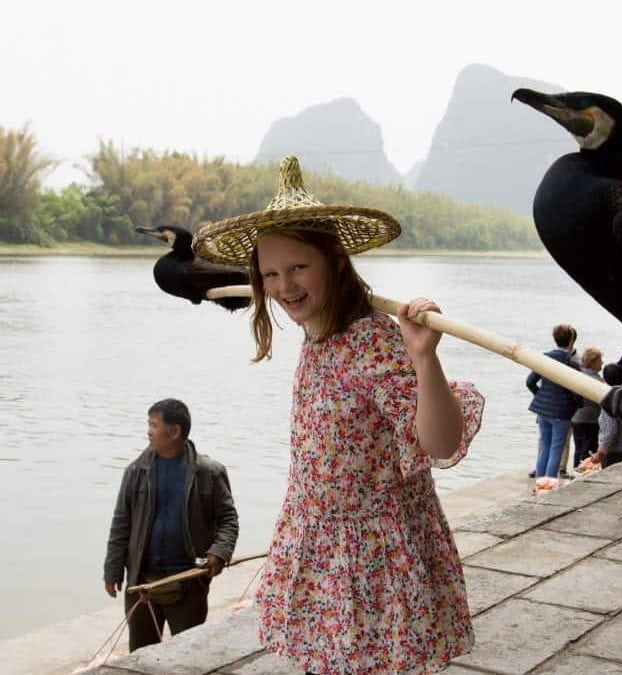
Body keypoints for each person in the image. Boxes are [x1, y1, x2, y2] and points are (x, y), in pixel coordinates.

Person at [193, 156, 484, 674]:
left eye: (299, 267)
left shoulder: (370, 337)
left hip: (372, 555)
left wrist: (424, 356)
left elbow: (439, 444)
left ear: (334, 260)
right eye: (271, 274)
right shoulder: (317, 336)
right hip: (319, 543)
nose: (284, 287)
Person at [103, 398, 239, 652]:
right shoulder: (135, 472)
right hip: (142, 585)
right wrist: (112, 571)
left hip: (188, 584)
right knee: (142, 656)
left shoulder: (208, 472)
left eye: (154, 425)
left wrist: (219, 552)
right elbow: (121, 524)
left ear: (174, 431)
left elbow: (228, 520)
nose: (148, 431)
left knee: (187, 655)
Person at [526, 324, 581, 492]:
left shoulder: (545, 358)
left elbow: (530, 382)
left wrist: (540, 395)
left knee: (545, 444)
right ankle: (549, 484)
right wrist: (575, 404)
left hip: (543, 409)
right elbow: (576, 391)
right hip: (561, 411)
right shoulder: (571, 363)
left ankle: (539, 482)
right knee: (557, 447)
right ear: (571, 340)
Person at [592, 364, 622, 467]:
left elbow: (610, 430)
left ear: (604, 379)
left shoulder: (609, 399)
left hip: (615, 454)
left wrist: (600, 453)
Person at [571, 347, 604, 468]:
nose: (602, 363)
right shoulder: (598, 381)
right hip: (591, 420)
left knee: (578, 448)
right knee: (588, 449)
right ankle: (584, 471)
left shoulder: (577, 375)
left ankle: (575, 469)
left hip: (576, 417)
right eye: (600, 360)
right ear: (593, 362)